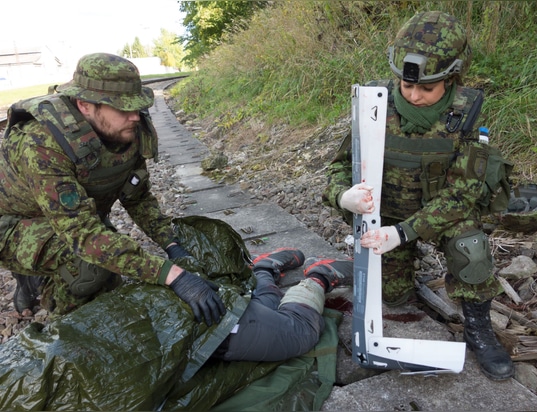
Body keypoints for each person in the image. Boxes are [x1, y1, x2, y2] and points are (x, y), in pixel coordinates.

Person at [0, 52, 350, 362]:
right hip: (14, 223)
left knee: (114, 259)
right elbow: (81, 235)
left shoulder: (126, 129)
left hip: (68, 216)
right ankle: (64, 327)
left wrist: (172, 245)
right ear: (85, 106)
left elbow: (137, 197)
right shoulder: (42, 142)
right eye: (123, 108)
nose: (135, 116)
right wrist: (171, 275)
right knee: (91, 271)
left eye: (137, 105)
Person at [318, 11, 514, 380]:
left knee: (470, 248)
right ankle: (400, 270)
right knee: (393, 299)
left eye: (427, 88)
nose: (414, 95)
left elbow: (463, 193)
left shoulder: (464, 115)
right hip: (386, 217)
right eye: (407, 86)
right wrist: (343, 195)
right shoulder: (374, 102)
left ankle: (478, 328)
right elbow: (338, 167)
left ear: (452, 78)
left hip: (439, 216)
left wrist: (406, 232)